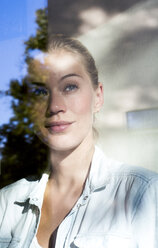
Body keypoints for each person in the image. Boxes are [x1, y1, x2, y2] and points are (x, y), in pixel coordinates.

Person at [0, 35, 158, 248]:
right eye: (40, 91)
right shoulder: (6, 205)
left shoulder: (144, 193)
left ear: (98, 97)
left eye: (70, 86)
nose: (54, 106)